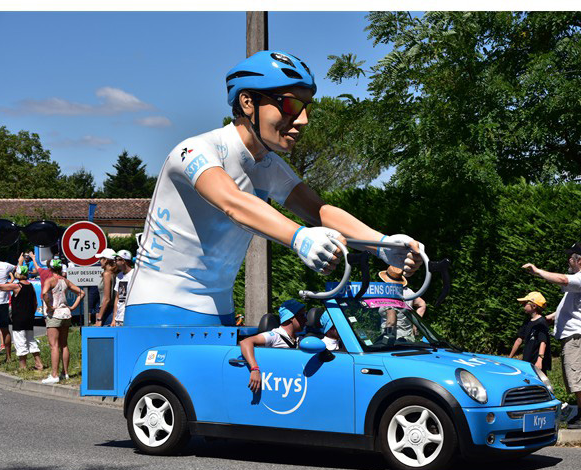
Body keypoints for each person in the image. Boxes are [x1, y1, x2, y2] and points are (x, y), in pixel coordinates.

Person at [125, 50, 422, 327]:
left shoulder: (267, 165)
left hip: (220, 311)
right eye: (291, 105)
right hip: (160, 306)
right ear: (247, 102)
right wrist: (299, 238)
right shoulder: (195, 150)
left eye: (306, 108)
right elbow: (233, 202)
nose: (303, 120)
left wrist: (383, 244)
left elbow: (319, 212)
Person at [522, 242, 581, 429]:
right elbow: (573, 307)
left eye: (571, 258)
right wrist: (550, 317)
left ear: (579, 260)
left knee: (580, 376)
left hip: (579, 335)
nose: (568, 261)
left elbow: (563, 280)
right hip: (578, 334)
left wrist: (538, 271)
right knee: (576, 376)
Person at [239, 299, 307, 392]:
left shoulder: (299, 339)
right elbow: (246, 342)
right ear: (291, 317)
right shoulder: (274, 336)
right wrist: (254, 369)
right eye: (302, 315)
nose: (306, 319)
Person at [0, 266, 42, 370]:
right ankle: (39, 363)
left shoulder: (17, 286)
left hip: (19, 319)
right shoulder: (31, 286)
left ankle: (23, 367)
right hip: (29, 318)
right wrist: (31, 313)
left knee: (20, 341)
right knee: (31, 340)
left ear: (18, 274)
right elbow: (35, 303)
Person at [41, 259, 85, 384]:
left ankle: (54, 374)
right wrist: (74, 307)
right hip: (66, 313)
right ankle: (65, 373)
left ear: (50, 269)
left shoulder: (50, 281)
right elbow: (81, 293)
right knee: (64, 344)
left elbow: (44, 294)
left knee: (53, 345)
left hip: (55, 314)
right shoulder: (65, 281)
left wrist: (49, 306)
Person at [378, 265, 427, 340]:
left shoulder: (390, 294)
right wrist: (415, 326)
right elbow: (422, 304)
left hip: (393, 341)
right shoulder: (409, 292)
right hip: (409, 338)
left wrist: (385, 340)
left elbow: (391, 321)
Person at [508, 291, 551, 372]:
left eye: (525, 303)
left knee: (539, 382)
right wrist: (509, 358)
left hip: (537, 362)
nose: (523, 305)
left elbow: (543, 342)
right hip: (527, 360)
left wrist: (539, 360)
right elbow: (519, 340)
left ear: (534, 306)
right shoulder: (527, 322)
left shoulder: (541, 322)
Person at [95, 248, 118, 327]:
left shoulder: (107, 274)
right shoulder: (115, 273)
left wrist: (99, 318)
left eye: (101, 258)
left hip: (107, 311)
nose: (99, 261)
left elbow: (107, 299)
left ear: (106, 260)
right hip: (112, 310)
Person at [112, 250, 135, 327]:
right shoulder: (119, 276)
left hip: (130, 318)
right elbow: (118, 297)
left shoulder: (135, 274)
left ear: (123, 261)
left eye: (116, 259)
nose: (114, 261)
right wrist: (114, 319)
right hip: (119, 318)